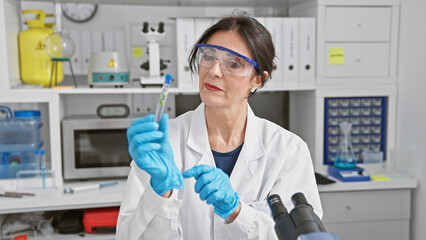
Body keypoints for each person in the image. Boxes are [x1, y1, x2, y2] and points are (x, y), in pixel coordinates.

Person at [116, 12, 322, 240]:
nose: (213, 71)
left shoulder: (288, 150)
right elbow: (127, 237)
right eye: (208, 56)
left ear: (257, 80)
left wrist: (237, 212)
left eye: (234, 63)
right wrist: (160, 192)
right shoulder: (163, 144)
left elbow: (302, 237)